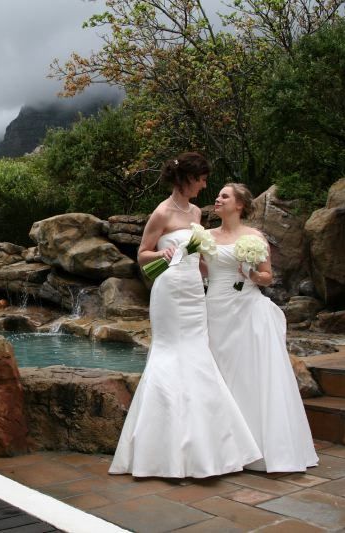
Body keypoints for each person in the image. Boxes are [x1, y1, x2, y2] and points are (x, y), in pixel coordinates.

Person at [109, 154, 261, 478]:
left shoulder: (195, 213)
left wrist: (227, 268)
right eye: (202, 178)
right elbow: (142, 256)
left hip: (194, 290)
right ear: (187, 178)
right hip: (168, 290)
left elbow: (198, 256)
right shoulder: (161, 212)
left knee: (197, 355)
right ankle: (161, 448)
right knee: (170, 353)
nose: (206, 185)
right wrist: (159, 253)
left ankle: (207, 446)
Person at [205, 183, 318, 472]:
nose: (218, 199)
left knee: (248, 374)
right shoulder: (205, 237)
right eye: (218, 195)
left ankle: (256, 448)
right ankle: (221, 446)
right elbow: (201, 271)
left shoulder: (254, 237)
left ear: (240, 204)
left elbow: (268, 276)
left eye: (224, 196)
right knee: (216, 373)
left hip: (246, 309)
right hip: (214, 308)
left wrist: (252, 274)